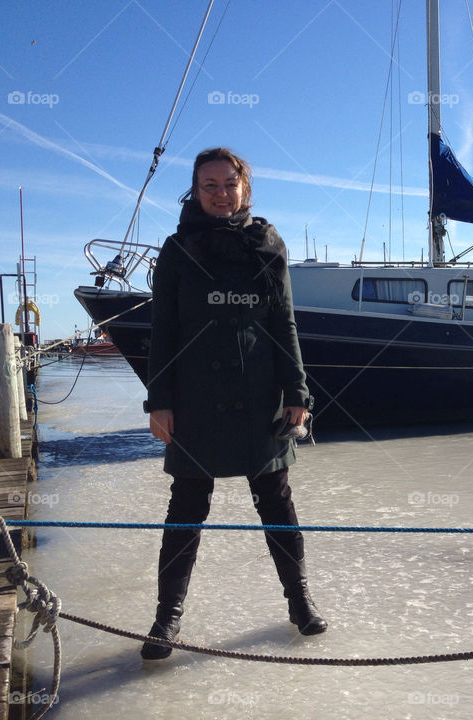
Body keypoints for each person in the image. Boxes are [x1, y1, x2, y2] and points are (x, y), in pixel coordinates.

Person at [141, 147, 326, 660]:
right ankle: (166, 621)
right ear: (195, 192)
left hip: (259, 396)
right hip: (196, 399)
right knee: (186, 507)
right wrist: (160, 401)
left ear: (245, 188)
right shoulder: (177, 249)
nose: (221, 194)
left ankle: (300, 603)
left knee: (277, 504)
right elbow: (163, 331)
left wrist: (298, 393)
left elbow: (283, 324)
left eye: (229, 184)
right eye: (210, 186)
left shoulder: (268, 244)